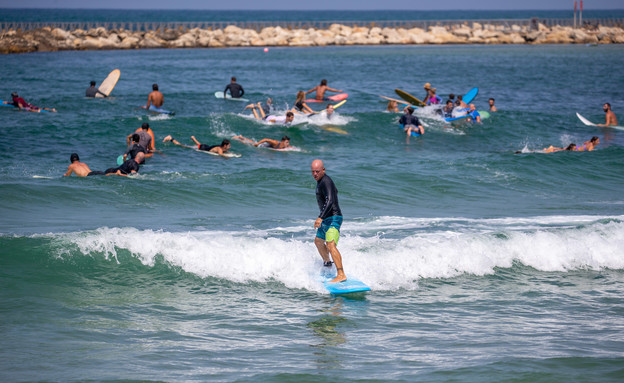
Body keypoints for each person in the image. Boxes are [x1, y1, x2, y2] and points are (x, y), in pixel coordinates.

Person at [311, 159, 346, 283]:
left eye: (317, 171)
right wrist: (323, 217)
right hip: (326, 218)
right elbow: (334, 192)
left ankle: (341, 274)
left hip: (333, 218)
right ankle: (327, 264)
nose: (315, 174)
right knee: (319, 241)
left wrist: (320, 217)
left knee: (330, 244)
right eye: (313, 172)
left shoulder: (326, 181)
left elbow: (330, 200)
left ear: (323, 170)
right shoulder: (321, 182)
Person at [163, 135, 232, 157]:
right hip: (201, 148)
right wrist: (226, 157)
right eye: (229, 145)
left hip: (205, 146)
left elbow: (225, 151)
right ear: (225, 145)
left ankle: (193, 139)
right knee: (182, 145)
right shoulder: (219, 148)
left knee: (200, 144)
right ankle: (170, 138)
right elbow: (220, 154)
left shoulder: (223, 148)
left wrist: (229, 153)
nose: (230, 147)